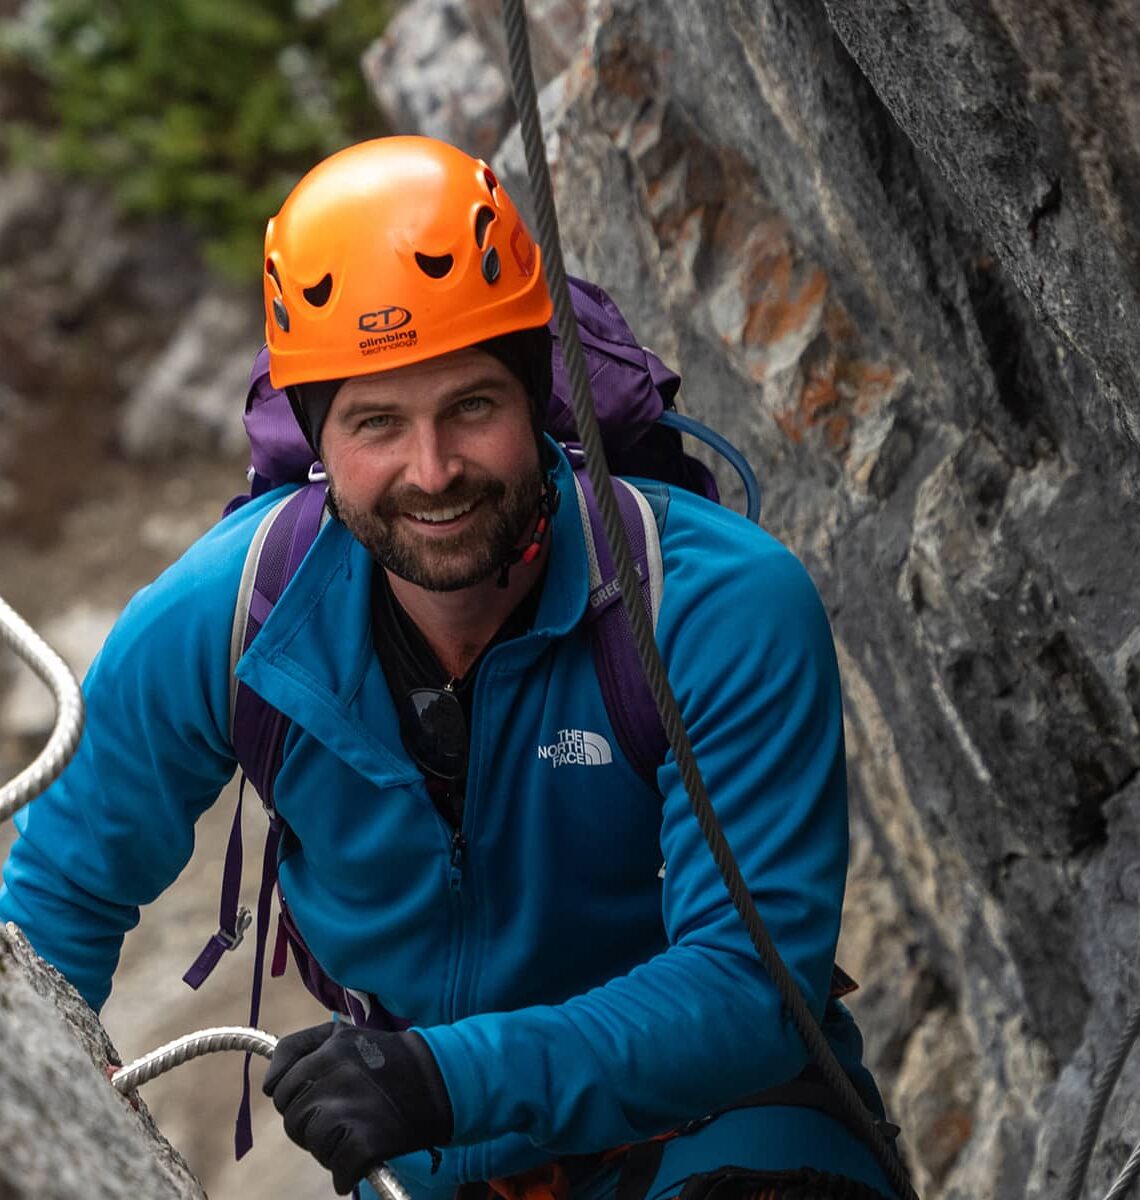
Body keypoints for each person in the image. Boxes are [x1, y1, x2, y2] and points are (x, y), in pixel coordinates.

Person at [0, 136, 904, 1200]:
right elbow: (54, 903)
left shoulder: (710, 607)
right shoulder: (232, 618)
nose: (432, 473)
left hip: (727, 1128)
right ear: (320, 443)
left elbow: (753, 991)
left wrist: (444, 1077)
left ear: (539, 403)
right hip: (440, 1162)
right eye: (377, 424)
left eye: (471, 407)